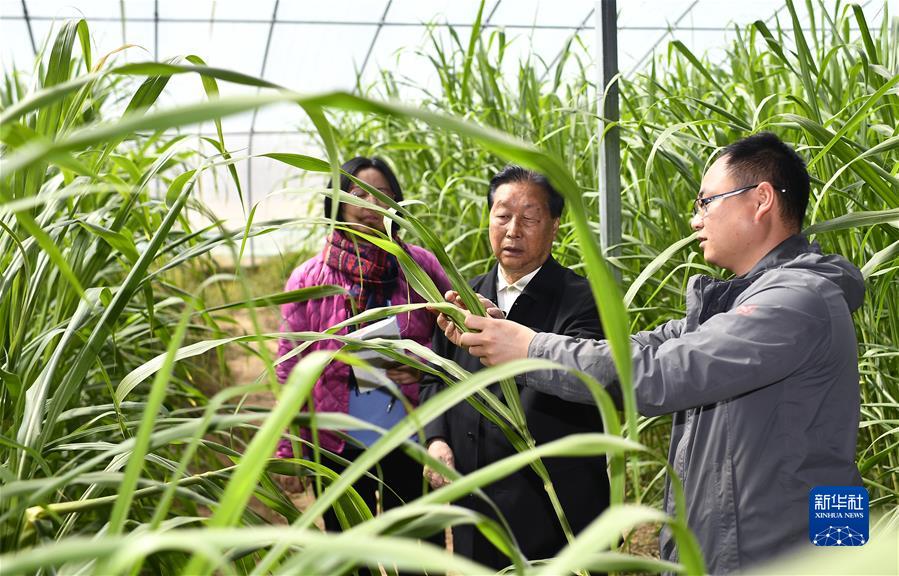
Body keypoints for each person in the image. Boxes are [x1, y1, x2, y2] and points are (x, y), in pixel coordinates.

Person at [437, 133, 865, 573]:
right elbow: (636, 350)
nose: (696, 220)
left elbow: (661, 372)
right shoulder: (736, 303)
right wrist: (506, 333)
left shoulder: (797, 301)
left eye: (706, 202)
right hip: (744, 546)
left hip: (786, 555)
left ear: (760, 200)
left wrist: (528, 350)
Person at [420, 165, 610, 569]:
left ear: (555, 225)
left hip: (551, 510)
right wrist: (435, 440)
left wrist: (508, 334)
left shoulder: (584, 300)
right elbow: (433, 378)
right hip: (476, 508)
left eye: (529, 218)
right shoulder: (463, 298)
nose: (513, 230)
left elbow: (588, 379)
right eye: (502, 215)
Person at [275, 156, 450, 529]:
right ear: (337, 203)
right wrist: (289, 448)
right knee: (350, 555)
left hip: (411, 437)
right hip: (336, 445)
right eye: (360, 195)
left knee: (416, 552)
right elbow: (290, 368)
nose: (372, 207)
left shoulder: (420, 266)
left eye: (382, 195)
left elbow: (457, 338)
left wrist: (424, 366)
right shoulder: (308, 279)